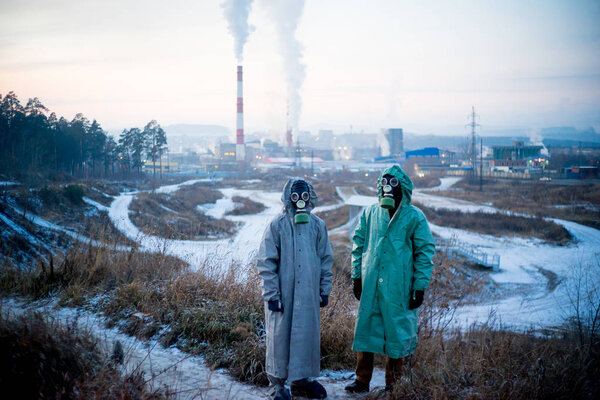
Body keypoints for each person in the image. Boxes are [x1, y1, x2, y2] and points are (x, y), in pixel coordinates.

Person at [345, 165, 435, 394]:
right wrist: (357, 276)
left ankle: (393, 384)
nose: (388, 189)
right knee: (366, 328)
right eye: (384, 184)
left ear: (402, 188)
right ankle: (361, 380)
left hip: (399, 287)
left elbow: (424, 252)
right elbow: (358, 244)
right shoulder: (370, 213)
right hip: (371, 283)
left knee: (397, 333)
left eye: (393, 185)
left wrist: (419, 286)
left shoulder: (414, 217)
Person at [257, 178, 334, 400]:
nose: (300, 200)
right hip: (282, 295)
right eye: (295, 196)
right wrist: (272, 294)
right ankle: (277, 385)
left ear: (310, 198)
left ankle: (302, 380)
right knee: (279, 339)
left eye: (304, 196)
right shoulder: (278, 225)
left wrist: (323, 289)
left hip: (308, 294)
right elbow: (266, 262)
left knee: (306, 337)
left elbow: (325, 260)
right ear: (288, 198)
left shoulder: (318, 226)